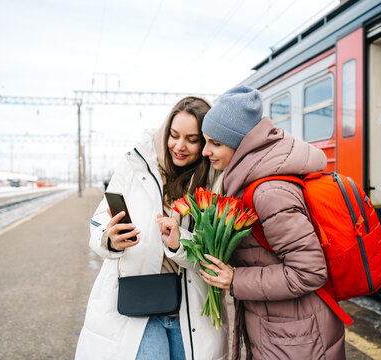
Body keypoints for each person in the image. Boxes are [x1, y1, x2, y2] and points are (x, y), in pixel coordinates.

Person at [172, 85, 346, 359]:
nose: (205, 152)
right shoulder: (252, 179)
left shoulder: (269, 192)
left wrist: (235, 279)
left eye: (215, 143)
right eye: (205, 141)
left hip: (296, 338)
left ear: (243, 144)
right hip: (285, 331)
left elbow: (309, 272)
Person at [75, 96, 229, 360]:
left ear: (205, 142)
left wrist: (180, 243)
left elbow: (216, 253)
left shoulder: (215, 180)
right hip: (136, 306)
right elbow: (99, 220)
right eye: (174, 135)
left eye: (192, 139)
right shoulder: (135, 165)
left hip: (190, 310)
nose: (179, 146)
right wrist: (109, 238)